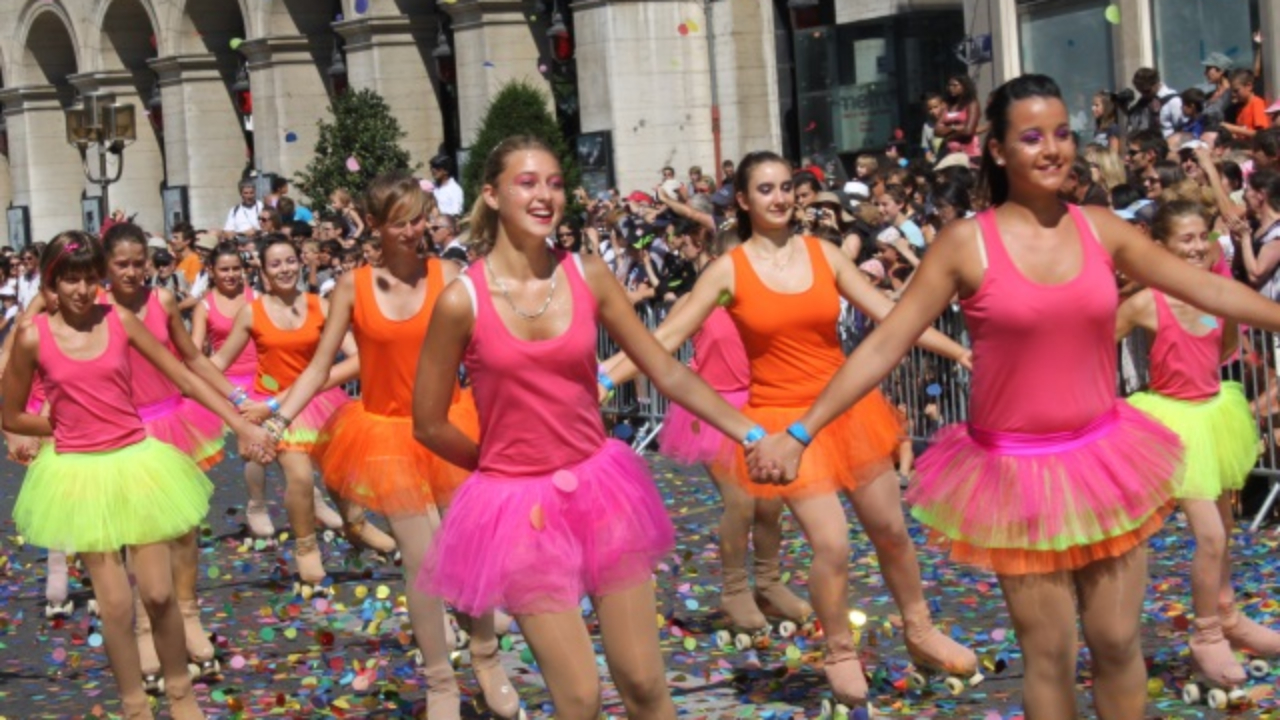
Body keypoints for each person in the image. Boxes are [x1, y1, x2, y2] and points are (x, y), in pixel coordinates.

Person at [748, 74, 1280, 720]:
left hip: (1105, 460)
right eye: (1032, 137)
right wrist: (802, 431)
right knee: (1050, 654)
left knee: (1116, 642)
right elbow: (885, 345)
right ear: (996, 150)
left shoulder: (1102, 229)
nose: (1053, 149)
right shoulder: (964, 244)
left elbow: (1211, 290)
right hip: (1016, 472)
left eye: (1062, 133)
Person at [601, 149, 975, 711]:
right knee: (832, 543)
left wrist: (962, 352)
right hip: (782, 423)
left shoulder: (824, 255)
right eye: (766, 189)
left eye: (785, 188)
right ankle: (840, 650)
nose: (780, 198)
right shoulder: (729, 268)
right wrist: (604, 375)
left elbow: (891, 318)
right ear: (745, 201)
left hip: (848, 409)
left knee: (892, 531)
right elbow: (667, 338)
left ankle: (919, 629)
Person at [414, 136, 760, 719]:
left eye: (553, 182)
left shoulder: (589, 274)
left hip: (602, 489)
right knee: (578, 700)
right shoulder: (460, 300)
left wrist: (753, 434)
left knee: (646, 685)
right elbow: (427, 423)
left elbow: (666, 371)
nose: (545, 194)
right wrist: (495, 470)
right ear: (492, 195)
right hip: (517, 506)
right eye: (527, 182)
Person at [271, 173, 513, 720]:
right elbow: (321, 365)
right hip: (385, 432)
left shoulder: (450, 274)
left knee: (468, 548)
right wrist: (278, 416)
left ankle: (486, 657)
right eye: (401, 220)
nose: (414, 229)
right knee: (423, 561)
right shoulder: (354, 287)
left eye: (420, 216)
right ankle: (440, 684)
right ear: (374, 225)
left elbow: (490, 350)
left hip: (451, 426)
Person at [3, 231, 273, 720]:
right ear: (52, 283)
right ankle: (134, 706)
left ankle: (179, 693)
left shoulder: (121, 320)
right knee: (114, 604)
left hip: (136, 461)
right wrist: (60, 426)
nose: (83, 290)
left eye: (89, 278)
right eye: (71, 280)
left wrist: (239, 423)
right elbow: (10, 412)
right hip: (79, 472)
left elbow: (186, 373)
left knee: (158, 592)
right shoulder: (30, 336)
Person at [603, 226, 813, 640]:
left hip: (760, 406)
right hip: (709, 410)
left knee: (771, 503)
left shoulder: (766, 300)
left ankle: (768, 584)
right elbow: (657, 345)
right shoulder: (694, 301)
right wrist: (606, 375)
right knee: (741, 502)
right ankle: (735, 589)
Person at [1117, 201, 1278, 699]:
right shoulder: (1145, 302)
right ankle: (1206, 631)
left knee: (1224, 530)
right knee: (1209, 535)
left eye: (1201, 238)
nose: (1194, 247)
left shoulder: (1221, 297)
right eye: (1183, 239)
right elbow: (1096, 344)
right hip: (1171, 423)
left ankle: (1226, 614)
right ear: (1160, 248)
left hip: (1214, 415)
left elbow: (1225, 347)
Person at [210, 235, 357, 597]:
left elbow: (358, 359)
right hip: (276, 413)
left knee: (343, 478)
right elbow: (216, 364)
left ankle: (356, 526)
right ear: (262, 269)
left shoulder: (321, 306)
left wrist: (309, 389)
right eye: (275, 264)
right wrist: (237, 398)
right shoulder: (252, 311)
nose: (285, 269)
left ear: (301, 260)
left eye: (290, 261)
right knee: (301, 476)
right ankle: (307, 548)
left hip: (321, 402)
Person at [190, 242, 345, 544]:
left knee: (303, 452)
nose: (231, 274)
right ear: (212, 272)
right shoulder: (206, 305)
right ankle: (258, 505)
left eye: (236, 268)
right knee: (257, 449)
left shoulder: (259, 298)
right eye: (224, 269)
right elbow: (203, 354)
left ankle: (314, 500)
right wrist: (193, 375)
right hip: (236, 385)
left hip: (271, 381)